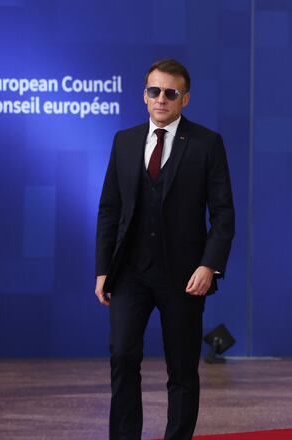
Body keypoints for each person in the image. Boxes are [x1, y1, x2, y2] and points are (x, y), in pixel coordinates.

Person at [94, 59, 235, 440]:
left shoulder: (207, 144)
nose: (161, 99)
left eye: (170, 93)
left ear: (184, 99)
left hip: (184, 276)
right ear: (144, 95)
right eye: (154, 91)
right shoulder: (123, 141)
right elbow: (110, 208)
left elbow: (223, 214)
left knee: (183, 369)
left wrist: (210, 266)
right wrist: (103, 269)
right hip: (129, 274)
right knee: (123, 356)